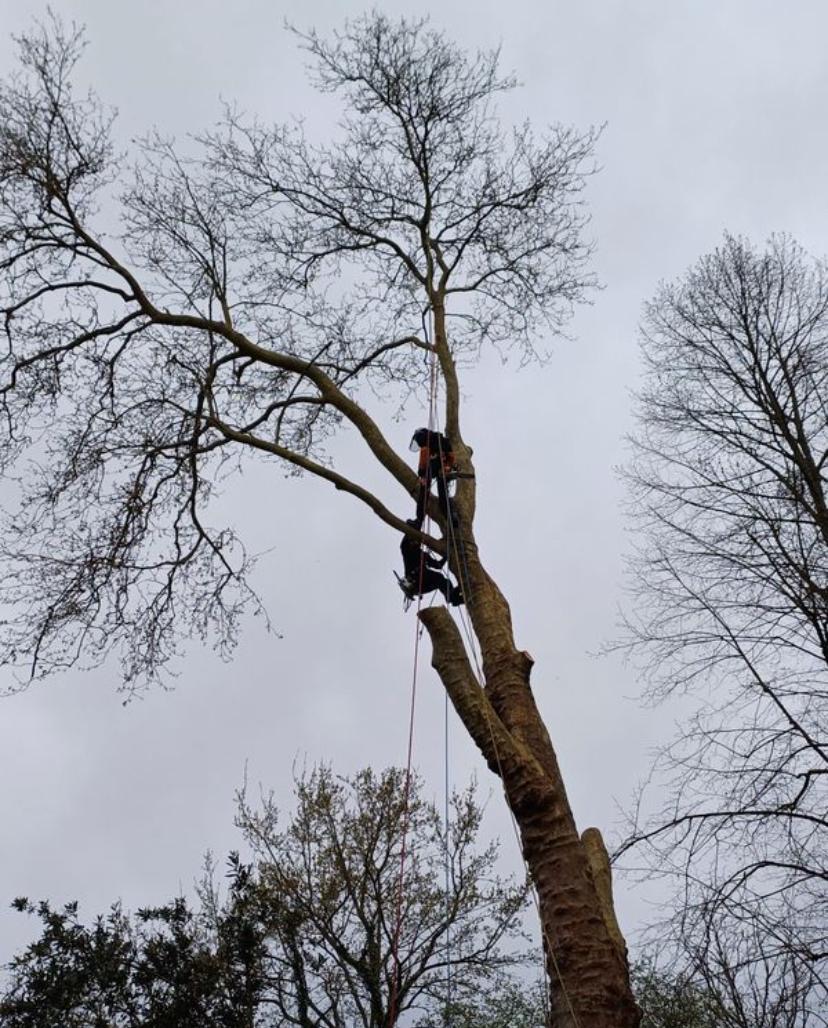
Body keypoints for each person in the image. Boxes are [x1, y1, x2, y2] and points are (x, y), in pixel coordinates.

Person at [398, 519, 464, 606]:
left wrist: (446, 556)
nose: (416, 543)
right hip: (416, 580)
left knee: (443, 581)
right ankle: (452, 596)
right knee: (440, 579)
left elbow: (438, 565)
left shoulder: (423, 554)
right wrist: (414, 526)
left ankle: (453, 598)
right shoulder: (407, 550)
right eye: (414, 541)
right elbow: (407, 540)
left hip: (422, 583)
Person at [410, 428, 457, 523]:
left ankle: (420, 520)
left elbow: (423, 464)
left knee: (431, 491)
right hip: (436, 469)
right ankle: (449, 515)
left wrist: (421, 472)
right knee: (439, 489)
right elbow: (451, 457)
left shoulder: (433, 443)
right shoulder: (434, 444)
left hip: (438, 469)